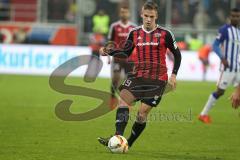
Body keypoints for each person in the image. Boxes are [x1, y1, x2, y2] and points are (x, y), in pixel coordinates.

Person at [97, 2, 182, 148]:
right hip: (138, 76)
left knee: (142, 114)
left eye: (152, 16)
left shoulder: (165, 34)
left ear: (156, 16)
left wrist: (173, 75)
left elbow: (177, 55)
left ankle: (128, 142)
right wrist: (109, 51)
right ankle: (118, 137)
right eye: (146, 16)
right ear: (141, 15)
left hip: (157, 79)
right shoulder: (134, 33)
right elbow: (125, 53)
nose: (148, 19)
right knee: (123, 101)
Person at [199, 8, 240, 124]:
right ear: (230, 17)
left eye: (238, 16)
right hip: (227, 68)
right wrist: (222, 58)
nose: (236, 18)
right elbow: (215, 45)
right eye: (234, 16)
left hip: (238, 68)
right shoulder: (224, 30)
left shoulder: (238, 32)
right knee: (220, 92)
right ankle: (203, 114)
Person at [107, 6, 137, 109]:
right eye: (122, 12)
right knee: (116, 79)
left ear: (129, 14)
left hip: (130, 59)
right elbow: (110, 42)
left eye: (126, 12)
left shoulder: (133, 27)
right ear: (120, 14)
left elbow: (137, 43)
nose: (124, 14)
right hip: (117, 58)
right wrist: (108, 55)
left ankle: (126, 102)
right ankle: (112, 97)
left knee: (129, 81)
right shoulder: (114, 26)